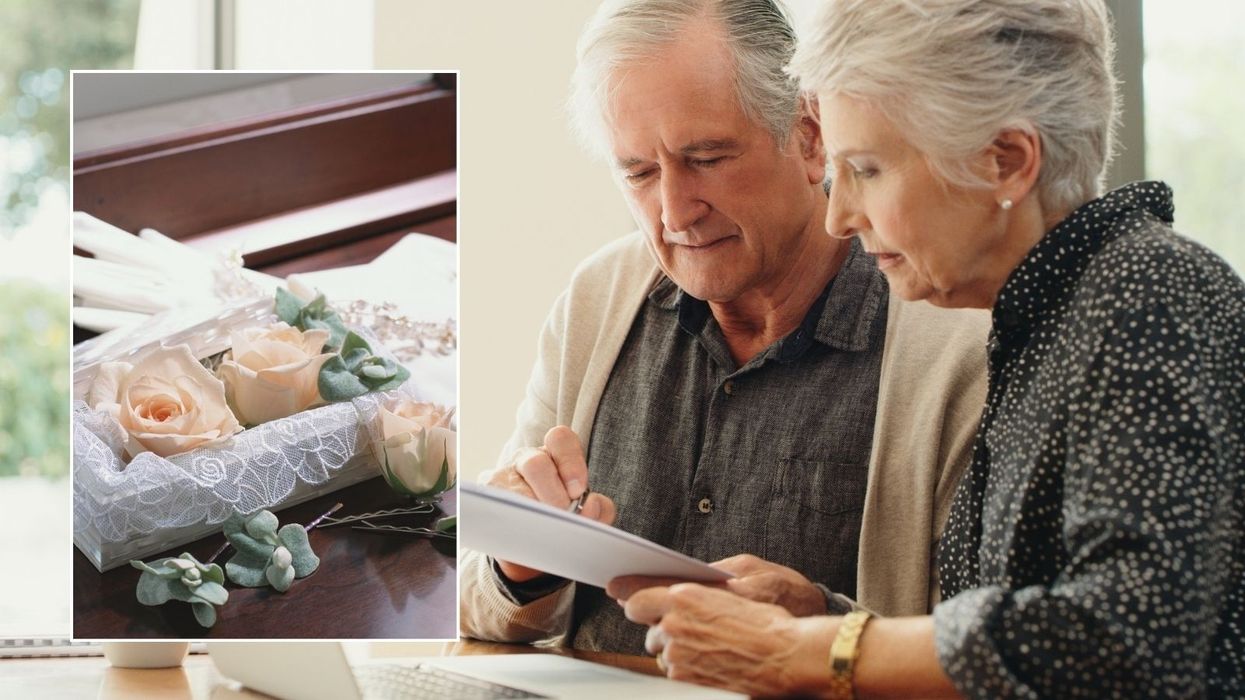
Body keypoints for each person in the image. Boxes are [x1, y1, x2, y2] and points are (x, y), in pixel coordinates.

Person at [620, 0, 1245, 697]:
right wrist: (818, 617)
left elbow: (1128, 640)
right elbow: (1010, 657)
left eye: (866, 169)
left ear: (1005, 161)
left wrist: (806, 650)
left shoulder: (1148, 294)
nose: (838, 214)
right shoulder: (1043, 321)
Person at [459, 0, 990, 654]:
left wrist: (824, 630)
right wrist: (518, 567)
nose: (675, 213)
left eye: (706, 158)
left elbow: (987, 655)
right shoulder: (597, 300)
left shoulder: (952, 347)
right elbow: (473, 606)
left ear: (809, 136)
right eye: (640, 173)